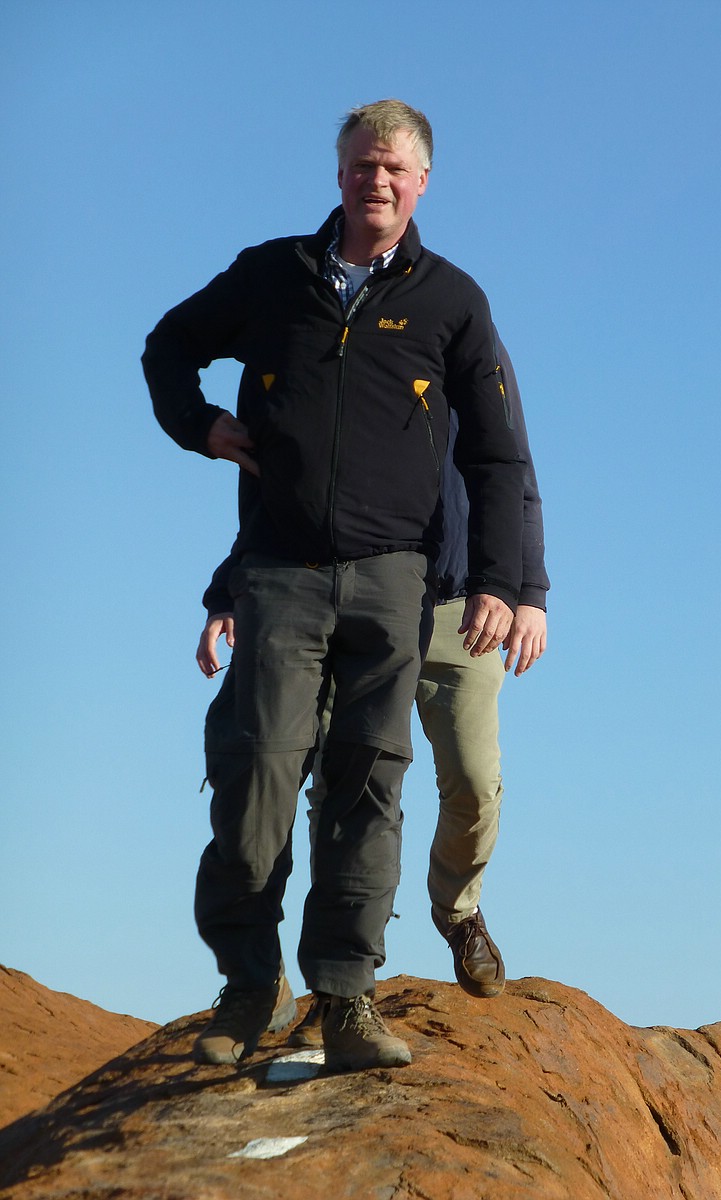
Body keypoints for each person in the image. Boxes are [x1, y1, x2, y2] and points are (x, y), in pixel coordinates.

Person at [141, 99, 525, 1073]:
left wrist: (505, 581)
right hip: (280, 570)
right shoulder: (273, 275)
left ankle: (347, 996)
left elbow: (496, 455)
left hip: (396, 581)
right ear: (340, 172)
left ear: (422, 181)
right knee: (257, 773)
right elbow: (168, 344)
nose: (377, 181)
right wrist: (198, 425)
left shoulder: (451, 301)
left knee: (367, 783)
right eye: (362, 164)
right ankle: (246, 988)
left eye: (395, 168)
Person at [197, 336, 549, 1047]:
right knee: (340, 788)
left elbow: (513, 470)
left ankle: (457, 910)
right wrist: (231, 592)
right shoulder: (316, 338)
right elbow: (275, 485)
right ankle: (336, 986)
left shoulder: (464, 335)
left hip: (461, 607)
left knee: (475, 783)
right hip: (349, 602)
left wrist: (528, 592)